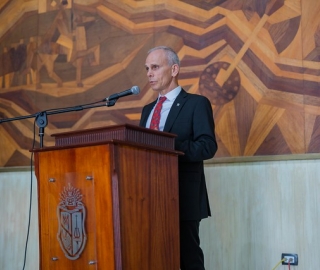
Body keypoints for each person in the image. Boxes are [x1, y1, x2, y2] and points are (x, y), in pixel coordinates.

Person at [139, 46, 218, 270]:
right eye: (147, 69)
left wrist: (168, 146)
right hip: (147, 198)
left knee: (188, 259)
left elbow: (208, 146)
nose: (149, 73)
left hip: (183, 197)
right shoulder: (147, 110)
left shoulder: (196, 103)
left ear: (174, 69)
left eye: (155, 67)